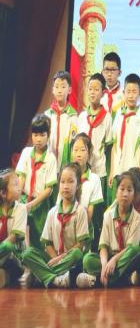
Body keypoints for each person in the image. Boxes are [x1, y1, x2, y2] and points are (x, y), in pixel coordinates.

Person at [21, 163, 90, 288]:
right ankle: (55, 279)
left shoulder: (80, 211)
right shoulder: (52, 212)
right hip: (53, 258)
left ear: (78, 185)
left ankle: (43, 275)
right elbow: (48, 244)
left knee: (77, 254)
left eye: (70, 182)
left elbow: (80, 245)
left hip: (70, 260)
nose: (66, 186)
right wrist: (55, 258)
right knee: (27, 253)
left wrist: (59, 259)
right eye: (62, 182)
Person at [77, 171, 140, 288]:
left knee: (135, 251)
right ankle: (121, 279)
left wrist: (114, 261)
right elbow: (103, 246)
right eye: (122, 189)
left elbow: (131, 248)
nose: (125, 194)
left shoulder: (136, 217)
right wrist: (104, 266)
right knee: (88, 259)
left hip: (124, 258)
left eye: (129, 190)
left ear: (134, 195)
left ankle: (99, 281)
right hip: (110, 258)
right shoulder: (108, 215)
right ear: (116, 192)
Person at [16, 114, 57, 250]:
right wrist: (18, 199)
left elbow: (49, 189)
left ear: (48, 135)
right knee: (19, 234)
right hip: (24, 199)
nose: (38, 139)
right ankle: (22, 259)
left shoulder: (51, 158)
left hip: (40, 203)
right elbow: (21, 177)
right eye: (35, 135)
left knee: (39, 238)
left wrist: (32, 205)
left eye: (42, 135)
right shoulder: (26, 153)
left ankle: (38, 260)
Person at [108, 74, 140, 203]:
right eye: (128, 92)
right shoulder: (118, 114)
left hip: (133, 168)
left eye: (134, 92)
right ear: (123, 93)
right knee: (116, 205)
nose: (131, 95)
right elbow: (114, 145)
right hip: (118, 169)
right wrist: (112, 171)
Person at [76, 73, 112, 187]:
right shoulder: (82, 116)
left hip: (99, 170)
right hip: (81, 170)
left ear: (103, 93)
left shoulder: (107, 117)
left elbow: (109, 146)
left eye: (96, 89)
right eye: (90, 89)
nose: (92, 92)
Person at [44, 70, 77, 171]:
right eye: (57, 86)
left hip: (66, 166)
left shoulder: (73, 116)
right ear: (52, 89)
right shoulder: (47, 115)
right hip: (49, 165)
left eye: (63, 87)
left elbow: (74, 142)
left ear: (69, 90)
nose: (59, 90)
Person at [0, 168, 27, 288]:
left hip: (14, 257)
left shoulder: (21, 209)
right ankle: (4, 276)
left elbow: (13, 238)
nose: (19, 187)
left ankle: (6, 276)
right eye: (15, 184)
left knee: (7, 246)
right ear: (3, 193)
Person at [68, 134, 103, 223]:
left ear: (89, 153)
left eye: (83, 150)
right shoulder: (67, 175)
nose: (78, 154)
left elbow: (90, 211)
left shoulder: (94, 180)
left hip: (85, 226)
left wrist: (82, 227)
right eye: (75, 150)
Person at [101, 52, 124, 117]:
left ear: (120, 73)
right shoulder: (98, 92)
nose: (109, 74)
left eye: (113, 70)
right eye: (106, 69)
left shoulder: (125, 93)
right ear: (102, 72)